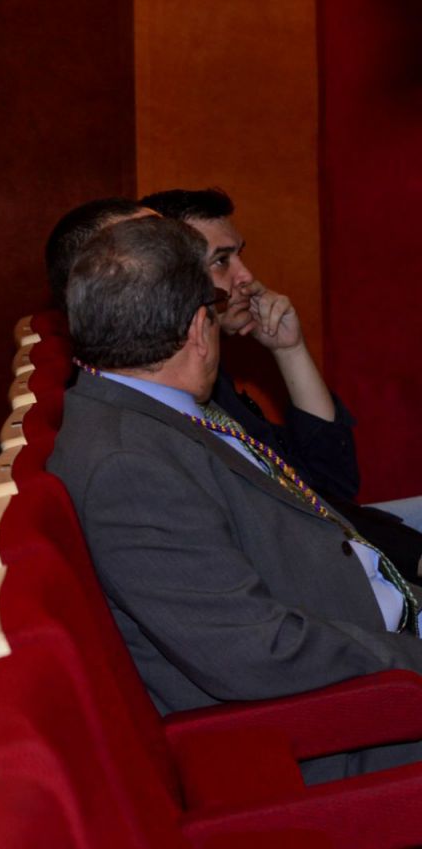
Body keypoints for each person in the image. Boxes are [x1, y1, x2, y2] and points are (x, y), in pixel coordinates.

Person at [48, 216, 422, 783]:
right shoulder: (128, 466)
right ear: (201, 327)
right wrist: (406, 656)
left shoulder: (152, 407)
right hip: (345, 720)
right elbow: (254, 651)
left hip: (366, 622)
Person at [140, 187, 422, 573]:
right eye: (222, 261)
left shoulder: (212, 378)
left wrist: (290, 350)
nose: (246, 276)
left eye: (240, 254)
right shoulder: (179, 392)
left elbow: (331, 481)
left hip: (353, 534)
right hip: (338, 567)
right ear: (168, 279)